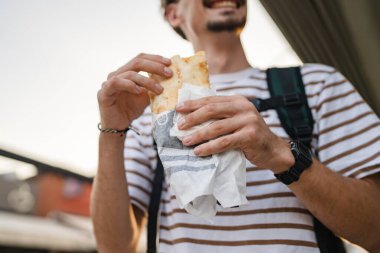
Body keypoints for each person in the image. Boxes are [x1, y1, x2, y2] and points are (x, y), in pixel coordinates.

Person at [91, 0, 380, 252]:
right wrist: (112, 131)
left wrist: (281, 154)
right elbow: (114, 248)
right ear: (173, 14)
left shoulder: (318, 84)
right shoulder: (147, 112)